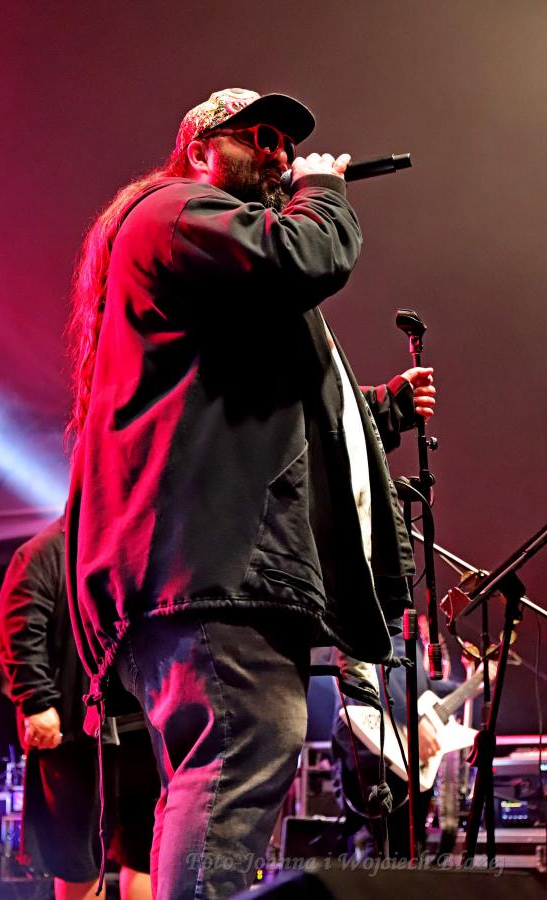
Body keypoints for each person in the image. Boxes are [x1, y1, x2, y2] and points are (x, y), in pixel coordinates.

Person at [64, 87, 436, 900]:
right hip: (211, 564)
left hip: (209, 563)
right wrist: (324, 189)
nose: (278, 154)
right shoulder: (175, 210)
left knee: (224, 767)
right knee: (242, 749)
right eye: (258, 136)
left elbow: (273, 405)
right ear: (200, 149)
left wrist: (381, 410)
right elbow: (306, 257)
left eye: (287, 145)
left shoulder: (210, 256)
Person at [0, 517, 157, 900]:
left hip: (138, 727)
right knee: (77, 857)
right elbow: (20, 629)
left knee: (145, 850)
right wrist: (36, 701)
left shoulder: (132, 545)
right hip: (73, 733)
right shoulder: (44, 552)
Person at [331, 630, 458, 860]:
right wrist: (412, 720)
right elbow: (371, 673)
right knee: (384, 848)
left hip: (400, 759)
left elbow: (424, 687)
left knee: (405, 848)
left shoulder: (407, 633)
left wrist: (475, 682)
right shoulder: (385, 622)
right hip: (376, 756)